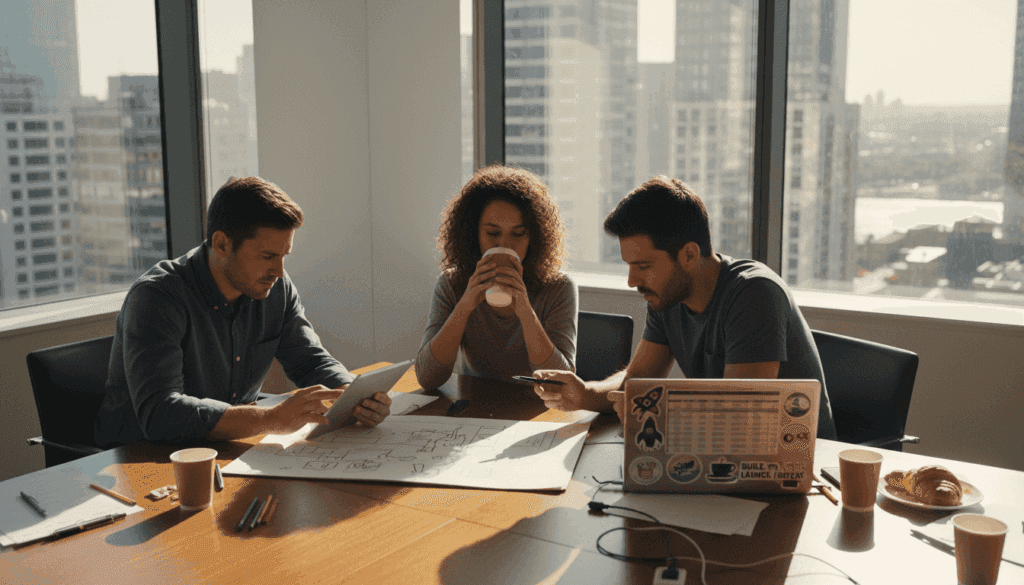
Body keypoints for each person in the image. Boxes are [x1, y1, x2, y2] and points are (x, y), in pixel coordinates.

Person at [530, 176, 838, 439]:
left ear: (689, 255)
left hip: (798, 468)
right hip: (728, 459)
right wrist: (584, 393)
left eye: (643, 265)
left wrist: (657, 411)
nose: (631, 281)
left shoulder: (755, 294)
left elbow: (739, 416)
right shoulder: (667, 297)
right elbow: (636, 384)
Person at [94, 177, 392, 447]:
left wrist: (353, 397)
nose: (279, 271)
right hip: (140, 461)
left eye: (284, 256)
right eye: (267, 256)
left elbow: (309, 360)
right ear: (222, 244)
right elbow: (161, 414)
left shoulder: (276, 288)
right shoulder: (157, 298)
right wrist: (269, 419)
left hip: (230, 448)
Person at [415, 165, 578, 390]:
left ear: (534, 238)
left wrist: (524, 310)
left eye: (518, 234)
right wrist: (464, 306)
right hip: (474, 408)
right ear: (474, 234)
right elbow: (427, 378)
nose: (504, 245)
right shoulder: (452, 284)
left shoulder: (558, 288)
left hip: (533, 413)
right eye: (492, 233)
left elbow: (558, 384)